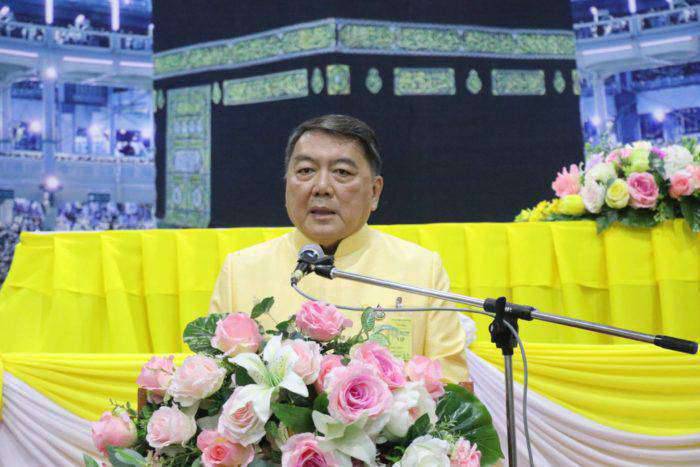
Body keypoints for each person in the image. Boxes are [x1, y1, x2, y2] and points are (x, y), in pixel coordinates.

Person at [209, 115, 469, 382]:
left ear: (375, 192)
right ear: (287, 184)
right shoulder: (240, 270)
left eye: (342, 172)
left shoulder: (421, 270)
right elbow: (214, 384)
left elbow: (452, 387)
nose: (321, 187)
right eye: (306, 171)